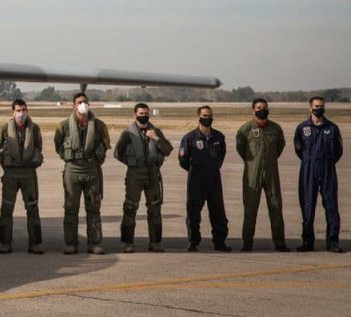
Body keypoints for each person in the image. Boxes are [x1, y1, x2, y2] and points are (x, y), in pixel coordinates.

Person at [54, 92, 111, 254]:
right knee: (71, 208)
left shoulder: (100, 126)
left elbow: (105, 145)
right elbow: (58, 145)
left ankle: (95, 243)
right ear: (74, 105)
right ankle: (71, 243)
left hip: (92, 171)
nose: (82, 104)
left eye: (85, 102)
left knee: (93, 208)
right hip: (72, 171)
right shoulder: (63, 126)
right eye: (79, 102)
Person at [114, 102, 173, 253]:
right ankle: (128, 243)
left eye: (146, 113)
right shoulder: (128, 133)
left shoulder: (155, 131)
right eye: (141, 114)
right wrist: (131, 163)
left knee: (155, 208)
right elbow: (117, 153)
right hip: (135, 174)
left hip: (153, 174)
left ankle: (155, 242)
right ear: (135, 114)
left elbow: (167, 150)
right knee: (130, 207)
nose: (144, 116)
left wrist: (156, 139)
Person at [236, 98, 289, 252]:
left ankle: (279, 242)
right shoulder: (245, 129)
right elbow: (241, 149)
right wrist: (254, 163)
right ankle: (247, 242)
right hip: (252, 174)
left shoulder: (276, 129)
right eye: (259, 107)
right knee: (250, 209)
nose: (262, 109)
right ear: (253, 110)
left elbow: (279, 148)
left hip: (272, 173)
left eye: (264, 107)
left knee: (276, 206)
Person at [0, 98, 44, 254]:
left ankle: (35, 243)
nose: (21, 113)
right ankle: (5, 243)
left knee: (32, 208)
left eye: (23, 110)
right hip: (11, 174)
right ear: (13, 112)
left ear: (27, 111)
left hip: (29, 173)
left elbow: (38, 146)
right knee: (6, 209)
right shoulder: (4, 129)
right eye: (18, 110)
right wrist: (6, 167)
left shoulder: (34, 129)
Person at [294, 96, 344, 253]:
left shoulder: (333, 128)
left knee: (331, 205)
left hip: (328, 168)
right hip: (308, 168)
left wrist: (327, 161)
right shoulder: (302, 128)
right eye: (316, 106)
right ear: (310, 108)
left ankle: (333, 242)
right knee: (307, 204)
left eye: (321, 106)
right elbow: (298, 150)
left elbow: (338, 151)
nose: (319, 108)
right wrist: (310, 160)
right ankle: (308, 241)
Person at [179, 105, 230, 252]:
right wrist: (194, 170)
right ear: (198, 117)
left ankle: (220, 242)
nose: (207, 118)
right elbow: (183, 160)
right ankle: (193, 242)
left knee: (218, 213)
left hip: (214, 179)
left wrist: (212, 167)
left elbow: (221, 155)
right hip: (196, 179)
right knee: (193, 212)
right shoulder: (189, 138)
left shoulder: (219, 137)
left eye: (210, 116)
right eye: (205, 116)